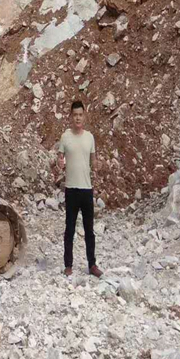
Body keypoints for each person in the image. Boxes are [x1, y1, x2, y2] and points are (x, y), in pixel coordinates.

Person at [54, 100, 103, 278]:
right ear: (70, 117)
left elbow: (94, 161)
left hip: (86, 189)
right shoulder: (65, 137)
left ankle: (92, 265)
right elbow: (60, 159)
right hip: (71, 189)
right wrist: (60, 163)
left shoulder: (90, 137)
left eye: (80, 115)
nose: (78, 118)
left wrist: (97, 165)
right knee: (69, 229)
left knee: (89, 230)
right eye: (75, 115)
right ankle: (68, 265)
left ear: (85, 116)